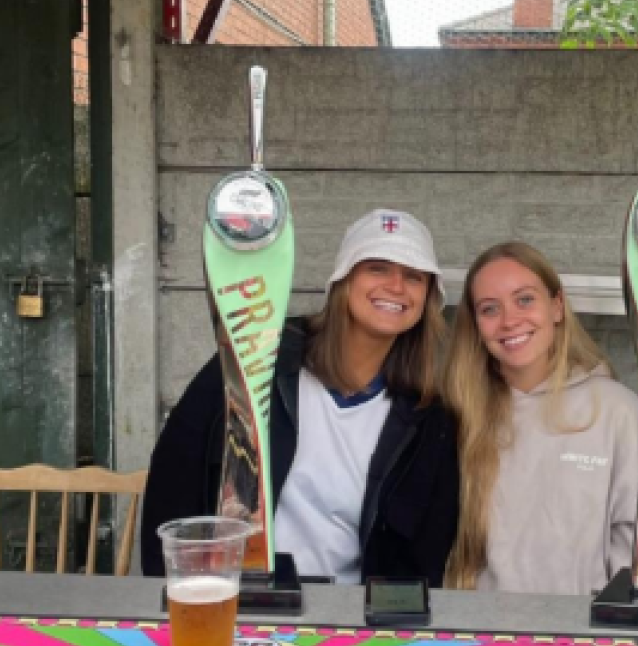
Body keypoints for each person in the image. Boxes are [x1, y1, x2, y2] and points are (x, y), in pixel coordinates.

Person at [141, 208, 460, 585]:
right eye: (376, 267)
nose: (396, 286)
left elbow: (426, 553)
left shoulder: (426, 417)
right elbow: (175, 477)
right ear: (343, 280)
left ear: (428, 298)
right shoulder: (258, 359)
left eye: (414, 276)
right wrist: (174, 593)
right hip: (240, 604)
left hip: (350, 623)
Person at [442, 242, 638, 594]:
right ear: (476, 325)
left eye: (525, 300)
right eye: (490, 309)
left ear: (557, 307)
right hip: (481, 631)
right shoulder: (460, 412)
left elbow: (636, 541)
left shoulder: (617, 410)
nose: (509, 320)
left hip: (582, 635)